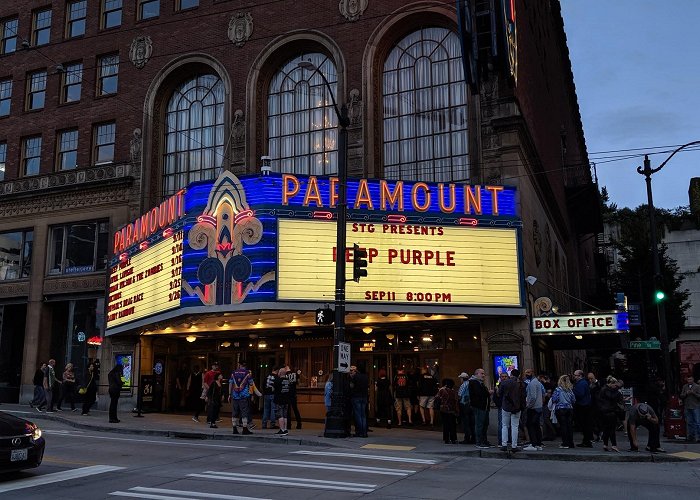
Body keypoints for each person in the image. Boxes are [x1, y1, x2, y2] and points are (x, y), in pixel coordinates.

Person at [499, 368, 525, 452]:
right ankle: (514, 446)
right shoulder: (521, 384)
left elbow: (500, 393)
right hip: (517, 407)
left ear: (511, 375)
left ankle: (504, 444)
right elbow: (523, 397)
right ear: (519, 375)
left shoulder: (504, 382)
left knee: (505, 426)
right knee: (515, 426)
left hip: (506, 406)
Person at [597, 375, 623, 452]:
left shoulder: (603, 389)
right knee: (611, 429)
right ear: (611, 383)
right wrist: (618, 392)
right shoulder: (611, 391)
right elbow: (613, 398)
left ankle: (605, 444)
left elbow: (600, 401)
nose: (616, 386)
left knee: (606, 429)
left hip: (603, 412)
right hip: (611, 411)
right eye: (614, 384)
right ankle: (614, 445)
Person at [469, 368, 493, 449]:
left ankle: (484, 441)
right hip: (479, 407)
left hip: (484, 407)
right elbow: (479, 393)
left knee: (484, 424)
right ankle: (479, 442)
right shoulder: (474, 382)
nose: (483, 375)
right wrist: (488, 393)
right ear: (476, 374)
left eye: (483, 373)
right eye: (481, 373)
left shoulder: (480, 383)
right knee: (480, 425)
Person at [551, 374, 576, 449]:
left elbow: (554, 399)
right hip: (569, 408)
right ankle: (571, 443)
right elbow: (574, 400)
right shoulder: (570, 390)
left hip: (561, 409)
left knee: (563, 426)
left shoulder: (558, 389)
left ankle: (565, 443)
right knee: (569, 426)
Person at [229, 361, 254, 435]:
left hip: (235, 395)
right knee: (244, 412)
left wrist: (229, 394)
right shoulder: (247, 373)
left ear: (239, 365)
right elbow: (251, 384)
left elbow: (230, 383)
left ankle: (234, 428)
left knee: (235, 412)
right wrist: (252, 394)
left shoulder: (233, 373)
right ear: (245, 366)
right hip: (244, 395)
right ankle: (245, 429)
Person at [523, 368, 544, 451]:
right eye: (525, 373)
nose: (526, 374)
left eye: (528, 372)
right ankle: (538, 444)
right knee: (536, 426)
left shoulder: (532, 383)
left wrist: (528, 405)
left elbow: (533, 397)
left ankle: (533, 444)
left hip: (533, 408)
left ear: (532, 373)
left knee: (530, 425)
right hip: (538, 407)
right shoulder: (537, 382)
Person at [573, 370, 594, 447]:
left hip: (583, 405)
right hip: (585, 405)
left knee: (584, 424)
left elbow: (580, 394)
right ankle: (586, 441)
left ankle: (587, 441)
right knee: (585, 424)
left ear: (580, 376)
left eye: (575, 375)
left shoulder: (581, 383)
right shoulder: (583, 382)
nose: (574, 376)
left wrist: (573, 392)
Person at [349, 365, 369, 437]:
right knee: (363, 415)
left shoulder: (355, 377)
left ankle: (360, 432)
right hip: (364, 397)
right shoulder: (366, 377)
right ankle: (364, 432)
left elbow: (351, 386)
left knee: (358, 415)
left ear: (357, 370)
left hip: (356, 396)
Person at [437, 378, 459, 444]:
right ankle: (453, 439)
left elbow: (437, 398)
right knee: (453, 425)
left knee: (445, 425)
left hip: (444, 410)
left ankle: (446, 439)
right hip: (452, 411)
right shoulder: (454, 392)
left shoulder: (442, 391)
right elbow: (456, 401)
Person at [680, 375, 700, 443]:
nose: (689, 381)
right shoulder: (684, 386)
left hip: (695, 406)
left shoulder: (697, 386)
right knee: (689, 422)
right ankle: (690, 437)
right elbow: (681, 395)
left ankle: (698, 437)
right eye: (688, 380)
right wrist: (686, 393)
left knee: (697, 422)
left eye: (691, 379)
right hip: (687, 406)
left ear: (693, 379)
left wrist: (693, 393)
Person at [457, 372, 474, 444]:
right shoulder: (471, 383)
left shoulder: (463, 385)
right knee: (472, 423)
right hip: (471, 404)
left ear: (462, 378)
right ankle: (473, 438)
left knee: (466, 423)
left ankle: (467, 438)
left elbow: (459, 395)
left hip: (464, 405)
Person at [273, 367, 291, 435]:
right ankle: (285, 429)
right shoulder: (288, 381)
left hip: (279, 399)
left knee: (280, 415)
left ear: (280, 373)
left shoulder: (277, 380)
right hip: (286, 399)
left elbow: (274, 389)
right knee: (285, 415)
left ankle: (282, 429)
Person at [492, 371, 508, 446]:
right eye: (502, 377)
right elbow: (495, 397)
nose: (504, 378)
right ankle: (501, 441)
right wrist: (499, 405)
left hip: (509, 407)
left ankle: (509, 440)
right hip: (501, 407)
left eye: (505, 376)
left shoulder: (510, 385)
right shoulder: (497, 386)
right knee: (501, 424)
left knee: (509, 425)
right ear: (500, 378)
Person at [588, 372, 602, 441]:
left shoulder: (598, 384)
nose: (590, 380)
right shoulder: (590, 384)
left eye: (591, 378)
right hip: (592, 405)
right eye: (589, 379)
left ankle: (599, 435)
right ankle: (598, 434)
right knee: (594, 421)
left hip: (597, 405)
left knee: (598, 421)